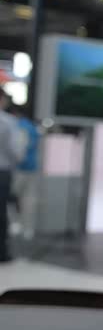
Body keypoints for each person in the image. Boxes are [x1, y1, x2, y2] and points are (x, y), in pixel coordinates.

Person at [0, 91, 24, 261]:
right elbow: (15, 151)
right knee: (1, 212)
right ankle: (2, 252)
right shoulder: (8, 121)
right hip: (2, 171)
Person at [10, 105, 39, 241]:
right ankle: (28, 228)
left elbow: (20, 148)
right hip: (32, 167)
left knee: (11, 197)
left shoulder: (18, 126)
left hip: (19, 168)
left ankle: (15, 224)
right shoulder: (32, 127)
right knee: (29, 200)